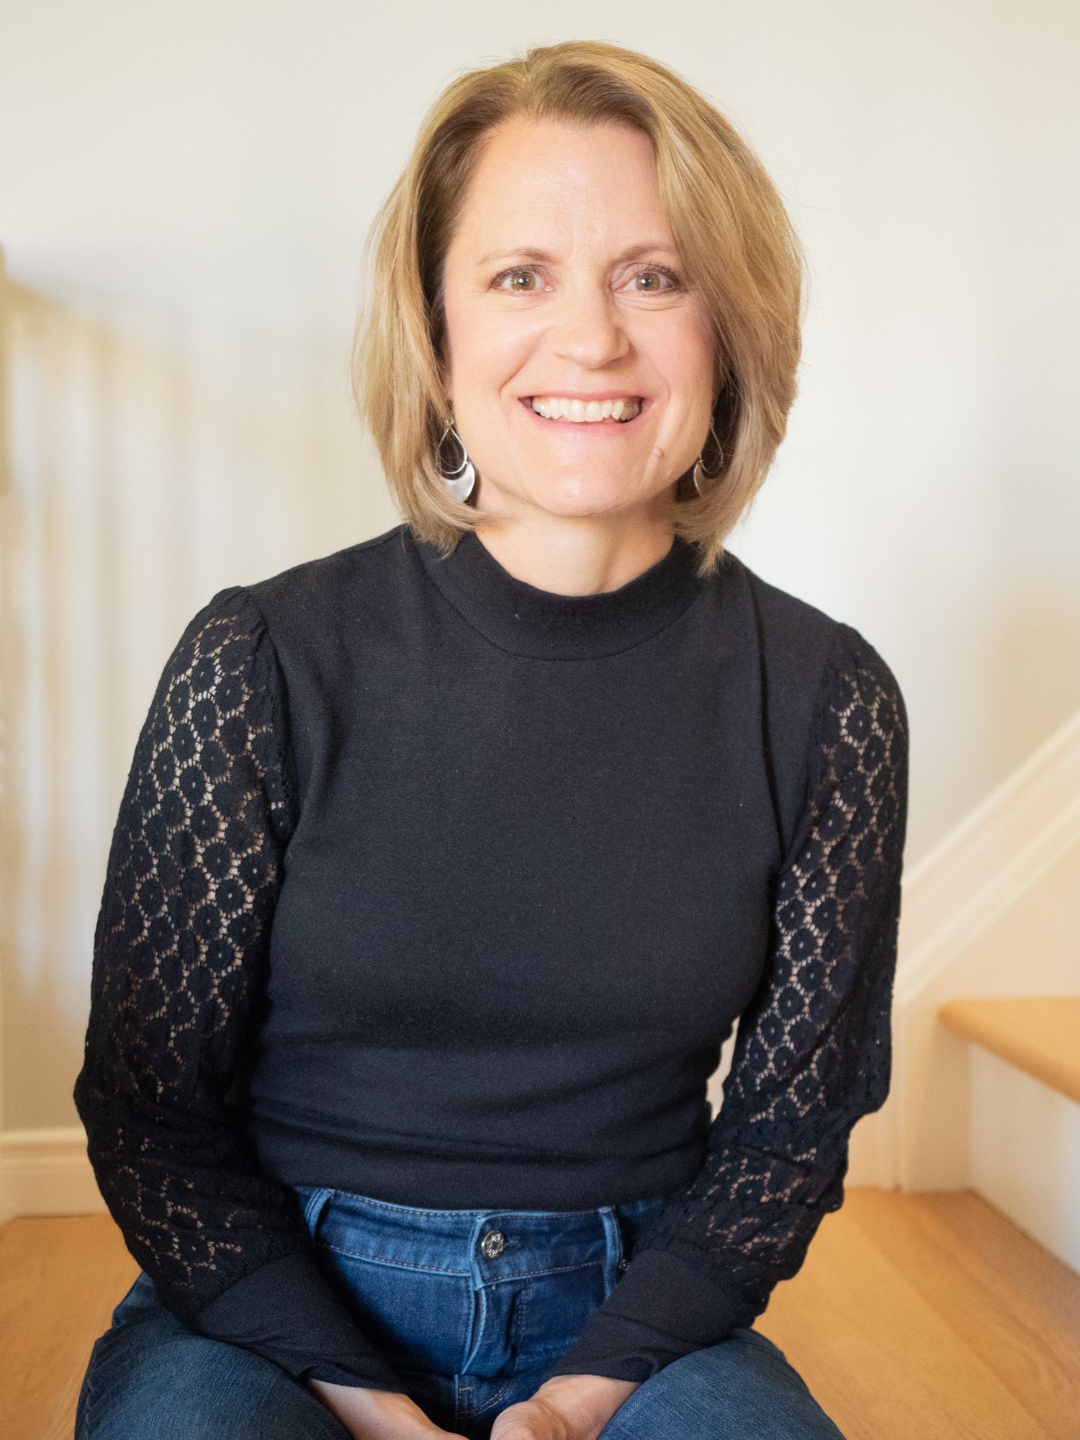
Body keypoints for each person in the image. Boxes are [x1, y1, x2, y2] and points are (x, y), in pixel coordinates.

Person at [72, 38, 909, 1440]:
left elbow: (789, 1134)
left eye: (655, 276)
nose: (591, 340)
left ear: (730, 325)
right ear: (436, 328)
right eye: (522, 276)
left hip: (632, 1322)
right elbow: (152, 1111)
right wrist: (369, 1409)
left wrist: (576, 1403)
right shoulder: (260, 659)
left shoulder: (829, 701)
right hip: (275, 1309)